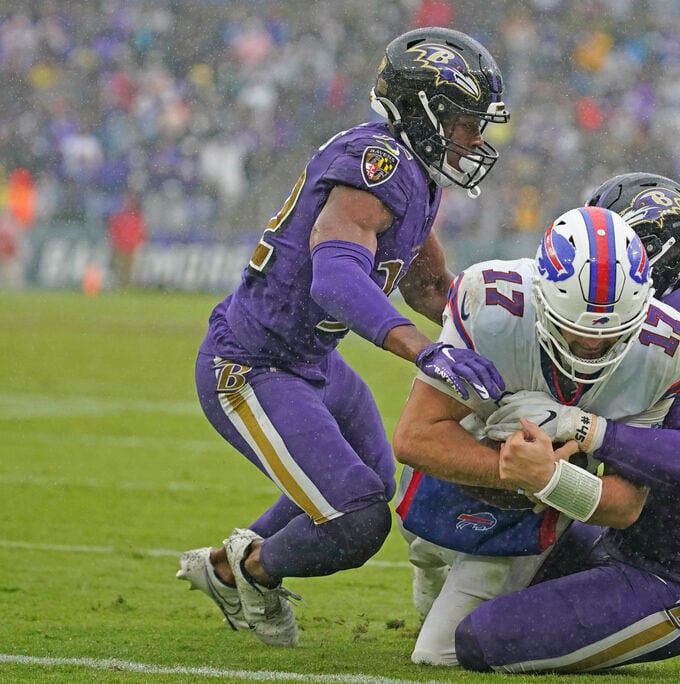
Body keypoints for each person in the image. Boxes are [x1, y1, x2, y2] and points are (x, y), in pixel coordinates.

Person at [175, 26, 511, 648]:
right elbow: (333, 277)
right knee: (356, 518)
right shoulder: (377, 164)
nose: (475, 136)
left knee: (371, 485)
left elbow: (433, 288)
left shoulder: (417, 173)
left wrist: (514, 335)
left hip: (311, 361)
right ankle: (252, 575)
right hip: (253, 364)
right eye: (465, 120)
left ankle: (225, 567)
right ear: (423, 111)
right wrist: (422, 348)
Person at [449, 172, 680, 672]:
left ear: (655, 254)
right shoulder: (608, 325)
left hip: (676, 575)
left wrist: (582, 427)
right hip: (612, 540)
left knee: (479, 641)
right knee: (477, 536)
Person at [392, 204, 680, 665]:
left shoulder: (664, 351)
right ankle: (436, 563)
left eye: (613, 334)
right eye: (574, 330)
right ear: (542, 297)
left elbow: (626, 504)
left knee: (438, 653)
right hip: (469, 460)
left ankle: (553, 556)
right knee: (423, 541)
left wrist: (548, 480)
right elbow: (414, 438)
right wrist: (509, 468)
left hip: (545, 507)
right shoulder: (491, 304)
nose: (592, 345)